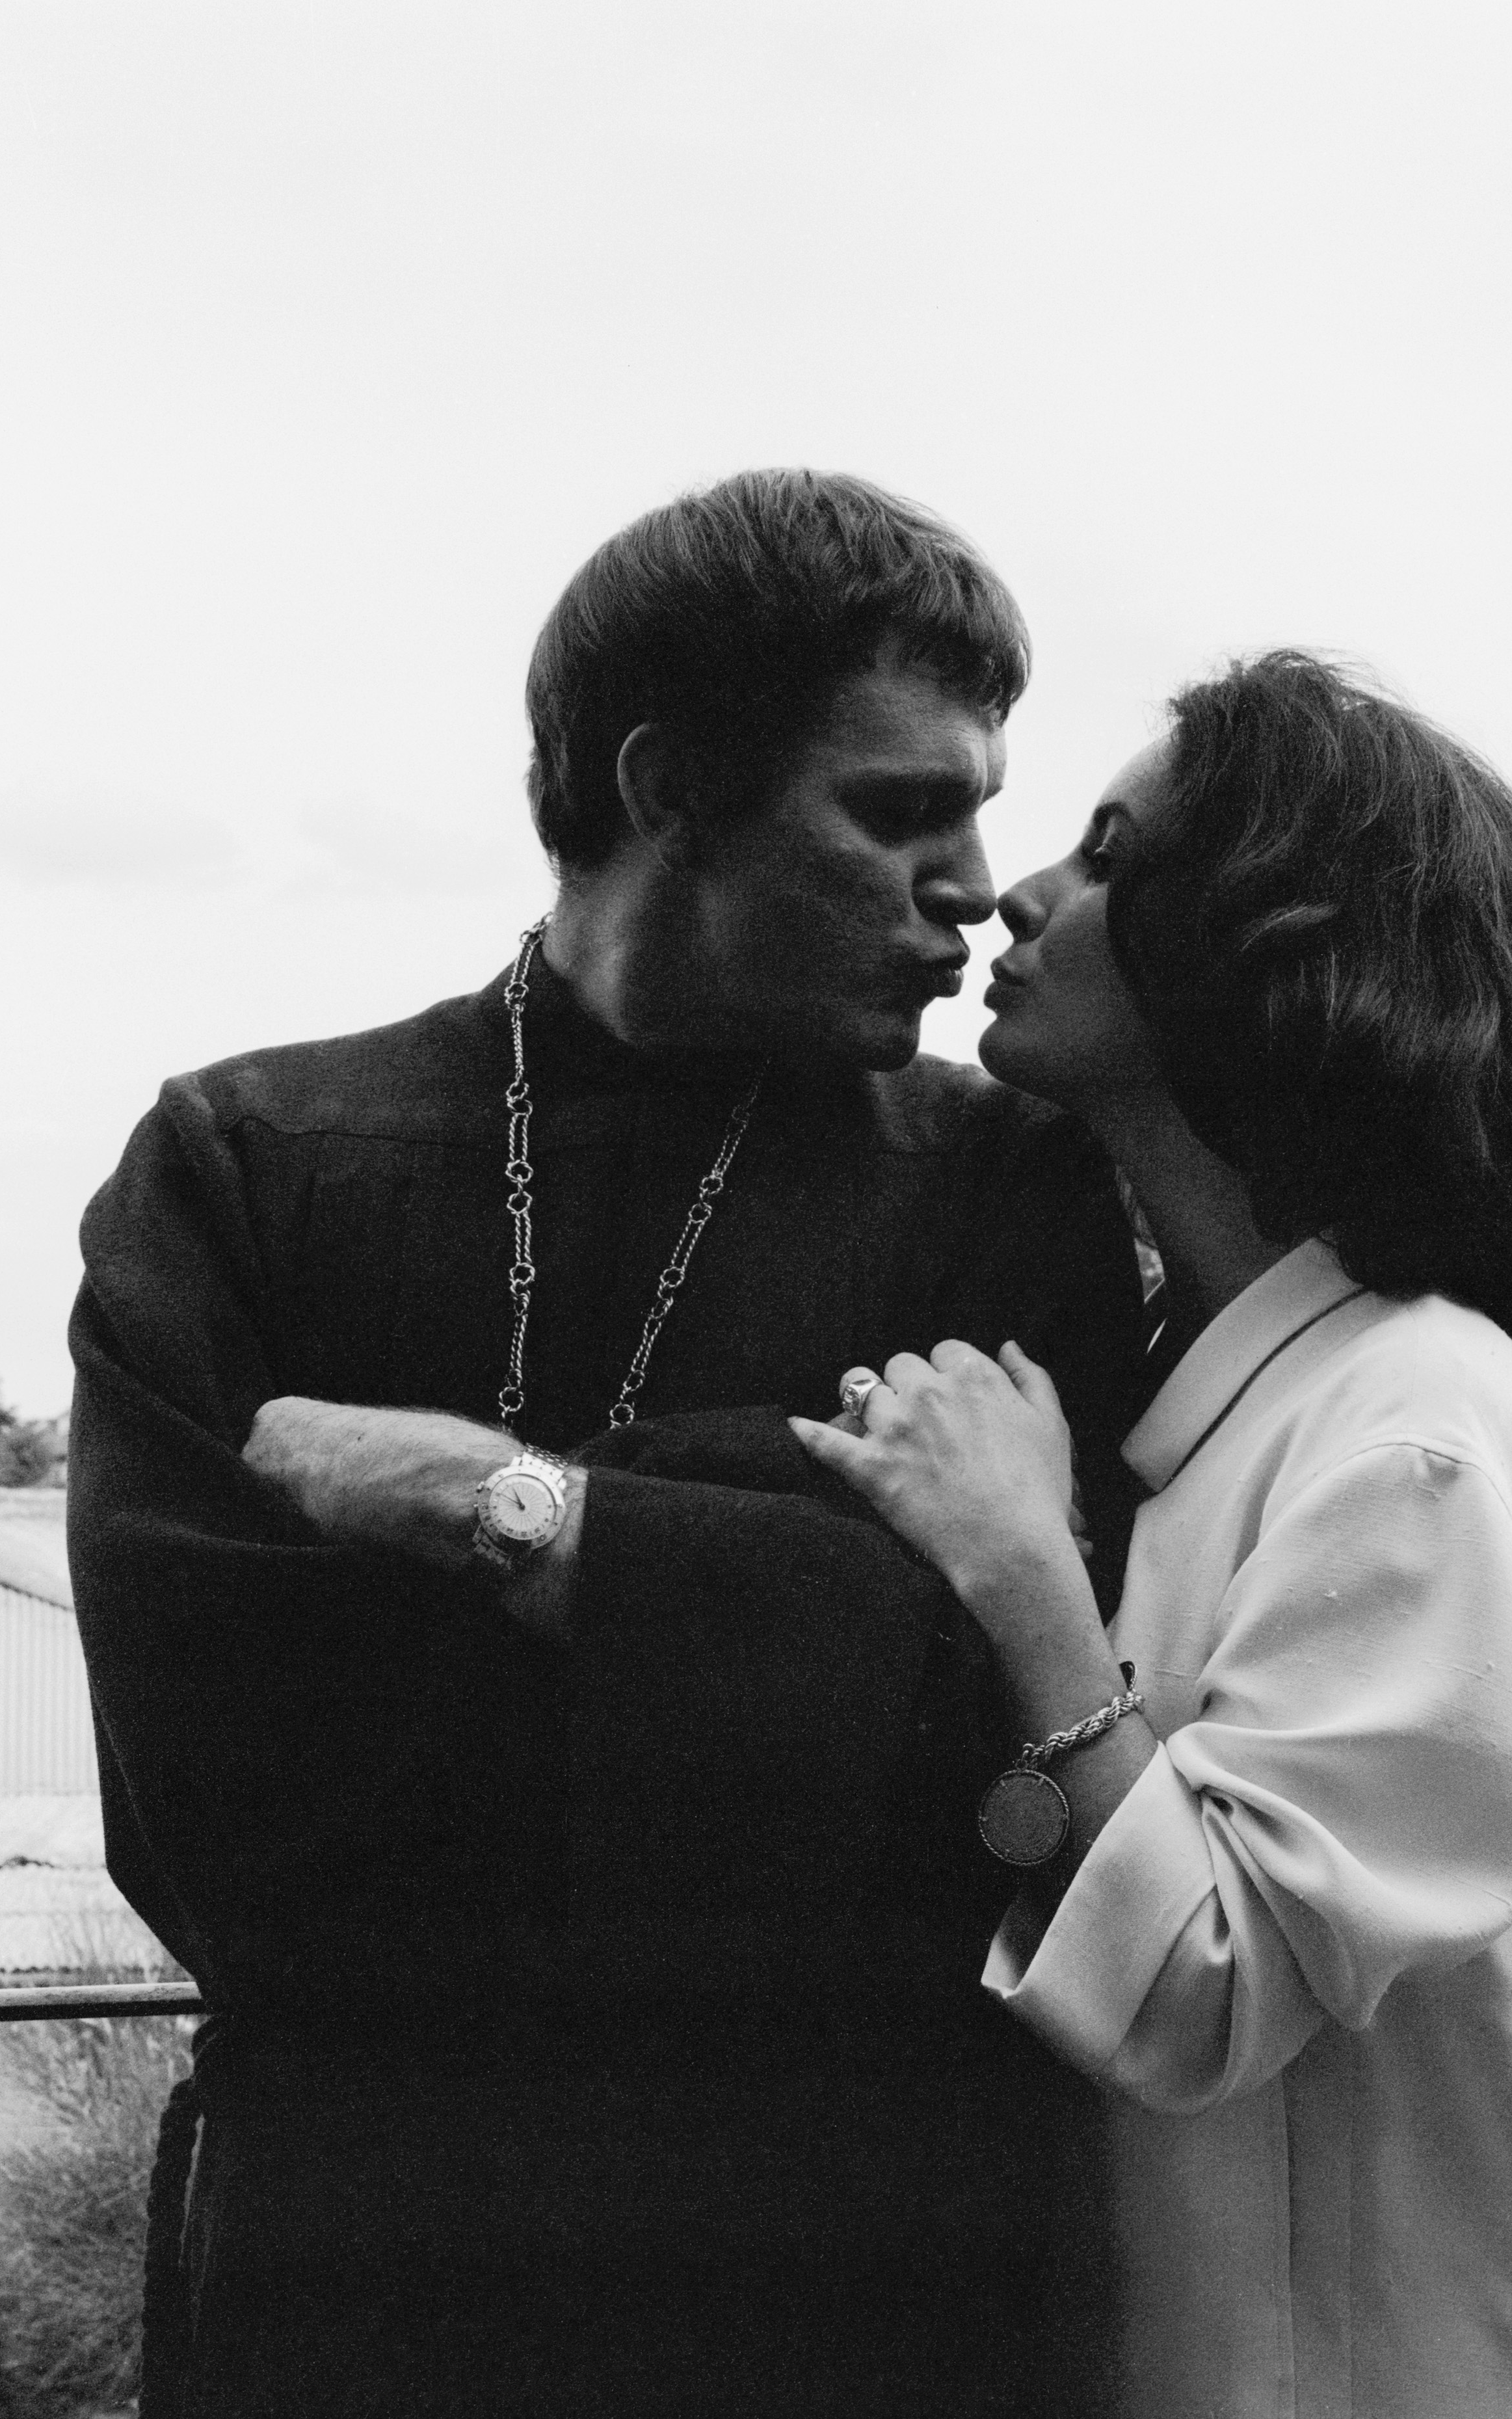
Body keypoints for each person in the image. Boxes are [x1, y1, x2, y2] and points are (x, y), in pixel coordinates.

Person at [67, 470, 1145, 2417]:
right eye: (902, 809)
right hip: (362, 2305)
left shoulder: (1010, 1187)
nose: (978, 885)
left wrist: (498, 1516)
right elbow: (214, 1810)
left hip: (862, 2308)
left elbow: (994, 1751)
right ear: (668, 784)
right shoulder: (246, 1168)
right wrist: (775, 1560)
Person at [795, 651, 1512, 2418]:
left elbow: (1199, 1989)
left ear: (1269, 943)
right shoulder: (1236, 1413)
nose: (1020, 895)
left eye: (1112, 852)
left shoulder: (1411, 1427)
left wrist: (1015, 1574)